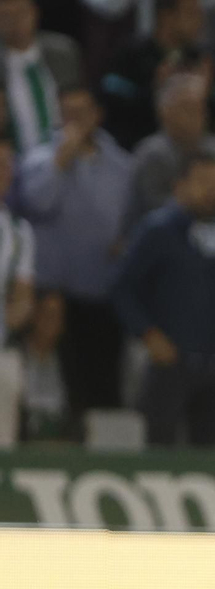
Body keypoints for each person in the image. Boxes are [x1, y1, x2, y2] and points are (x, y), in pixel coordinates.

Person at [110, 152, 215, 447]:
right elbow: (122, 288)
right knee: (160, 451)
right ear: (180, 186)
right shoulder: (158, 229)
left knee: (207, 455)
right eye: (202, 182)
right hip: (170, 362)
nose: (211, 191)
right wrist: (148, 333)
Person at [17, 84, 133, 415]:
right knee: (54, 388)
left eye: (81, 113)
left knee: (101, 387)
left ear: (98, 115)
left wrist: (124, 240)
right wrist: (60, 161)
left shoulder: (122, 165)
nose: (74, 120)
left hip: (100, 293)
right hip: (52, 296)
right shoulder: (38, 159)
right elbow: (38, 203)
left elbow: (130, 220)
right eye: (67, 113)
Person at [128, 73, 215, 228]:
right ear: (165, 113)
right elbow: (155, 213)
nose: (199, 116)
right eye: (188, 109)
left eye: (201, 108)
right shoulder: (152, 153)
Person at [99, 0, 206, 149]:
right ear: (166, 17)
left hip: (191, 147)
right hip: (135, 146)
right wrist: (154, 89)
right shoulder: (131, 56)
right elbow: (112, 107)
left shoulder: (199, 58)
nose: (200, 21)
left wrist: (207, 89)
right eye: (191, 13)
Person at [0, 0, 84, 155]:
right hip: (11, 161)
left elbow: (79, 103)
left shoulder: (63, 52)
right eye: (6, 16)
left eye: (21, 13)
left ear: (34, 11)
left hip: (63, 156)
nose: (16, 22)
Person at [0, 138, 35, 449]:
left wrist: (11, 319)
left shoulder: (19, 232)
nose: (3, 173)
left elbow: (23, 297)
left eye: (7, 167)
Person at [18, 289, 69, 442]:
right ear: (34, 315)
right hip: (21, 442)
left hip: (59, 443)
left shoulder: (69, 364)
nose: (49, 321)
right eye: (46, 313)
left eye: (56, 316)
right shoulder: (16, 356)